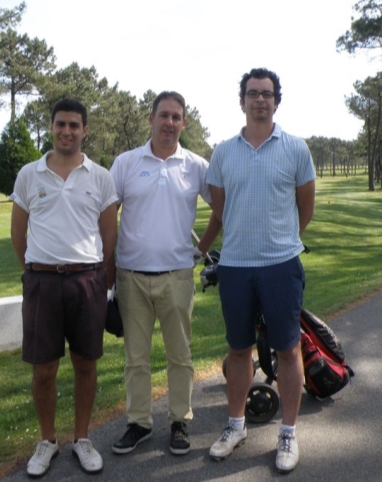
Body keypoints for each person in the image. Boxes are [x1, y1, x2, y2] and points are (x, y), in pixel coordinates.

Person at [206, 68, 316, 474]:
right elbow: (220, 208)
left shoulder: (295, 148)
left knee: (288, 350)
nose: (259, 100)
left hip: (281, 265)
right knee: (239, 349)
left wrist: (283, 239)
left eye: (267, 94)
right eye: (252, 94)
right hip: (235, 267)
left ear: (276, 101)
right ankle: (236, 426)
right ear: (242, 101)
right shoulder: (223, 151)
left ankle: (287, 432)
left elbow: (305, 208)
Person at [108, 91, 221, 456]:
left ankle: (179, 422)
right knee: (135, 358)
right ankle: (138, 423)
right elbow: (107, 218)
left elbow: (220, 211)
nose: (169, 123)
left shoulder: (196, 166)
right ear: (151, 119)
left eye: (176, 117)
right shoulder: (126, 163)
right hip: (131, 276)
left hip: (176, 275)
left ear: (183, 123)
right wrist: (108, 270)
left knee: (180, 355)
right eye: (163, 116)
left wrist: (200, 250)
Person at [10, 98, 118, 478]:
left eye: (74, 125)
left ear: (85, 130)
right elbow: (17, 234)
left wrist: (102, 282)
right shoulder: (29, 175)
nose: (67, 131)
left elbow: (110, 238)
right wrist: (36, 270)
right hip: (41, 282)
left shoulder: (101, 177)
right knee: (43, 370)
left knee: (85, 365)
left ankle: (82, 439)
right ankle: (47, 440)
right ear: (51, 127)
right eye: (61, 124)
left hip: (87, 281)